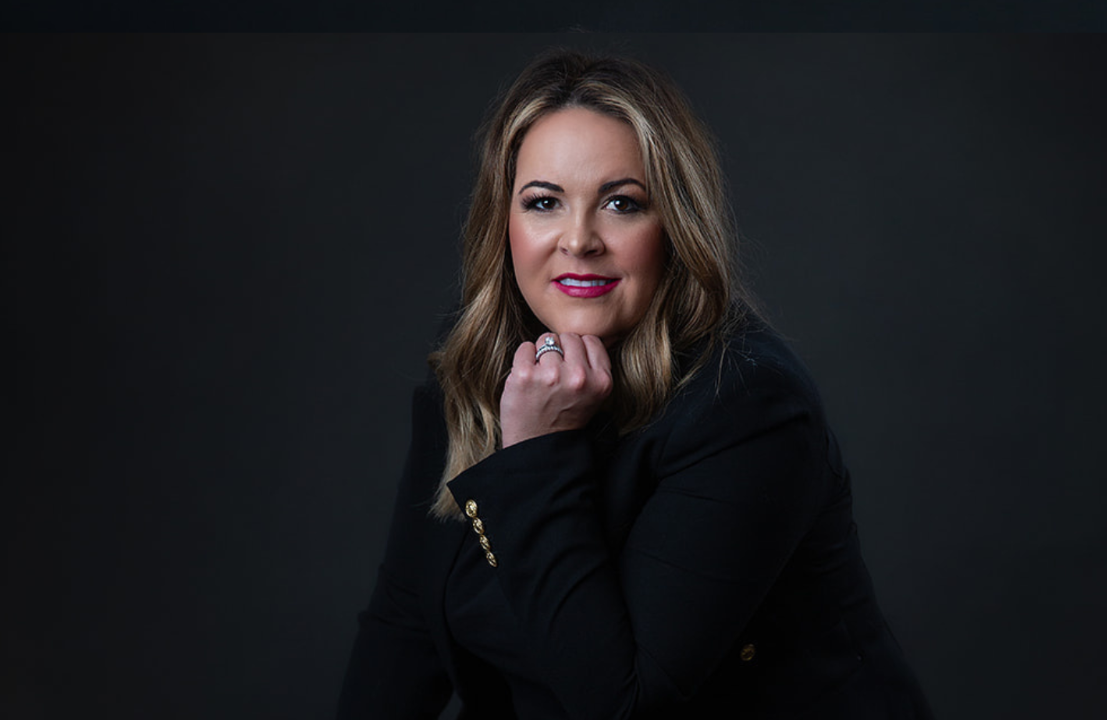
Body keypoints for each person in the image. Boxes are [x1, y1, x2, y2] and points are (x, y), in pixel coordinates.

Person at [337, 49, 933, 719]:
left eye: (621, 203)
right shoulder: (479, 362)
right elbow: (405, 626)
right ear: (503, 224)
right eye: (543, 203)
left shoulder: (749, 404)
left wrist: (535, 452)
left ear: (674, 224)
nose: (579, 240)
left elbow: (625, 704)